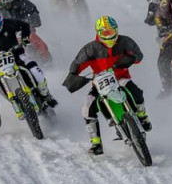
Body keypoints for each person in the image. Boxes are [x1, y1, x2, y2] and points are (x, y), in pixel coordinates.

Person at [62, 16, 151, 155]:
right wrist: (73, 76)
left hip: (121, 78)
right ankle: (96, 143)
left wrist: (130, 58)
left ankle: (143, 116)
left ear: (116, 30)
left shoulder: (125, 41)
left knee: (136, 92)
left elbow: (138, 56)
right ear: (99, 33)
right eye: (105, 33)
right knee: (87, 108)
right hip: (99, 83)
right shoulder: (90, 49)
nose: (109, 36)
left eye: (111, 32)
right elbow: (77, 64)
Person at [0, 7, 57, 130]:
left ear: (1, 20)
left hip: (18, 55)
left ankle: (47, 96)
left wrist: (25, 37)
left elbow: (25, 25)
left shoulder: (9, 23)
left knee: (36, 71)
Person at [0, 0, 51, 64]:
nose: (7, 2)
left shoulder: (22, 3)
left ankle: (47, 61)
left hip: (26, 32)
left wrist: (28, 22)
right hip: (7, 36)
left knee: (40, 45)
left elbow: (34, 15)